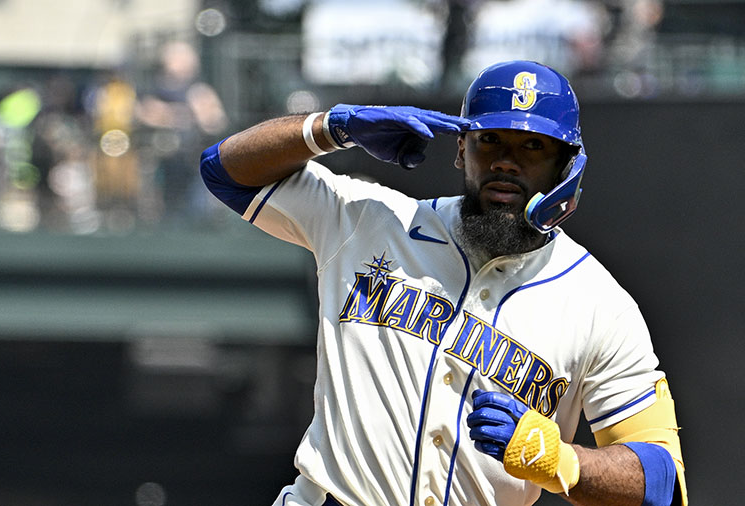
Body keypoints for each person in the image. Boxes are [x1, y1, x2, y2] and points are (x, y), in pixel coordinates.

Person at [200, 60, 687, 506]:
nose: (505, 161)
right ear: (461, 149)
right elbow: (225, 172)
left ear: (567, 167)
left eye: (533, 146)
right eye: (490, 140)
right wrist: (331, 128)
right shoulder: (372, 218)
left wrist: (560, 460)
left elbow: (663, 482)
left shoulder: (599, 303)